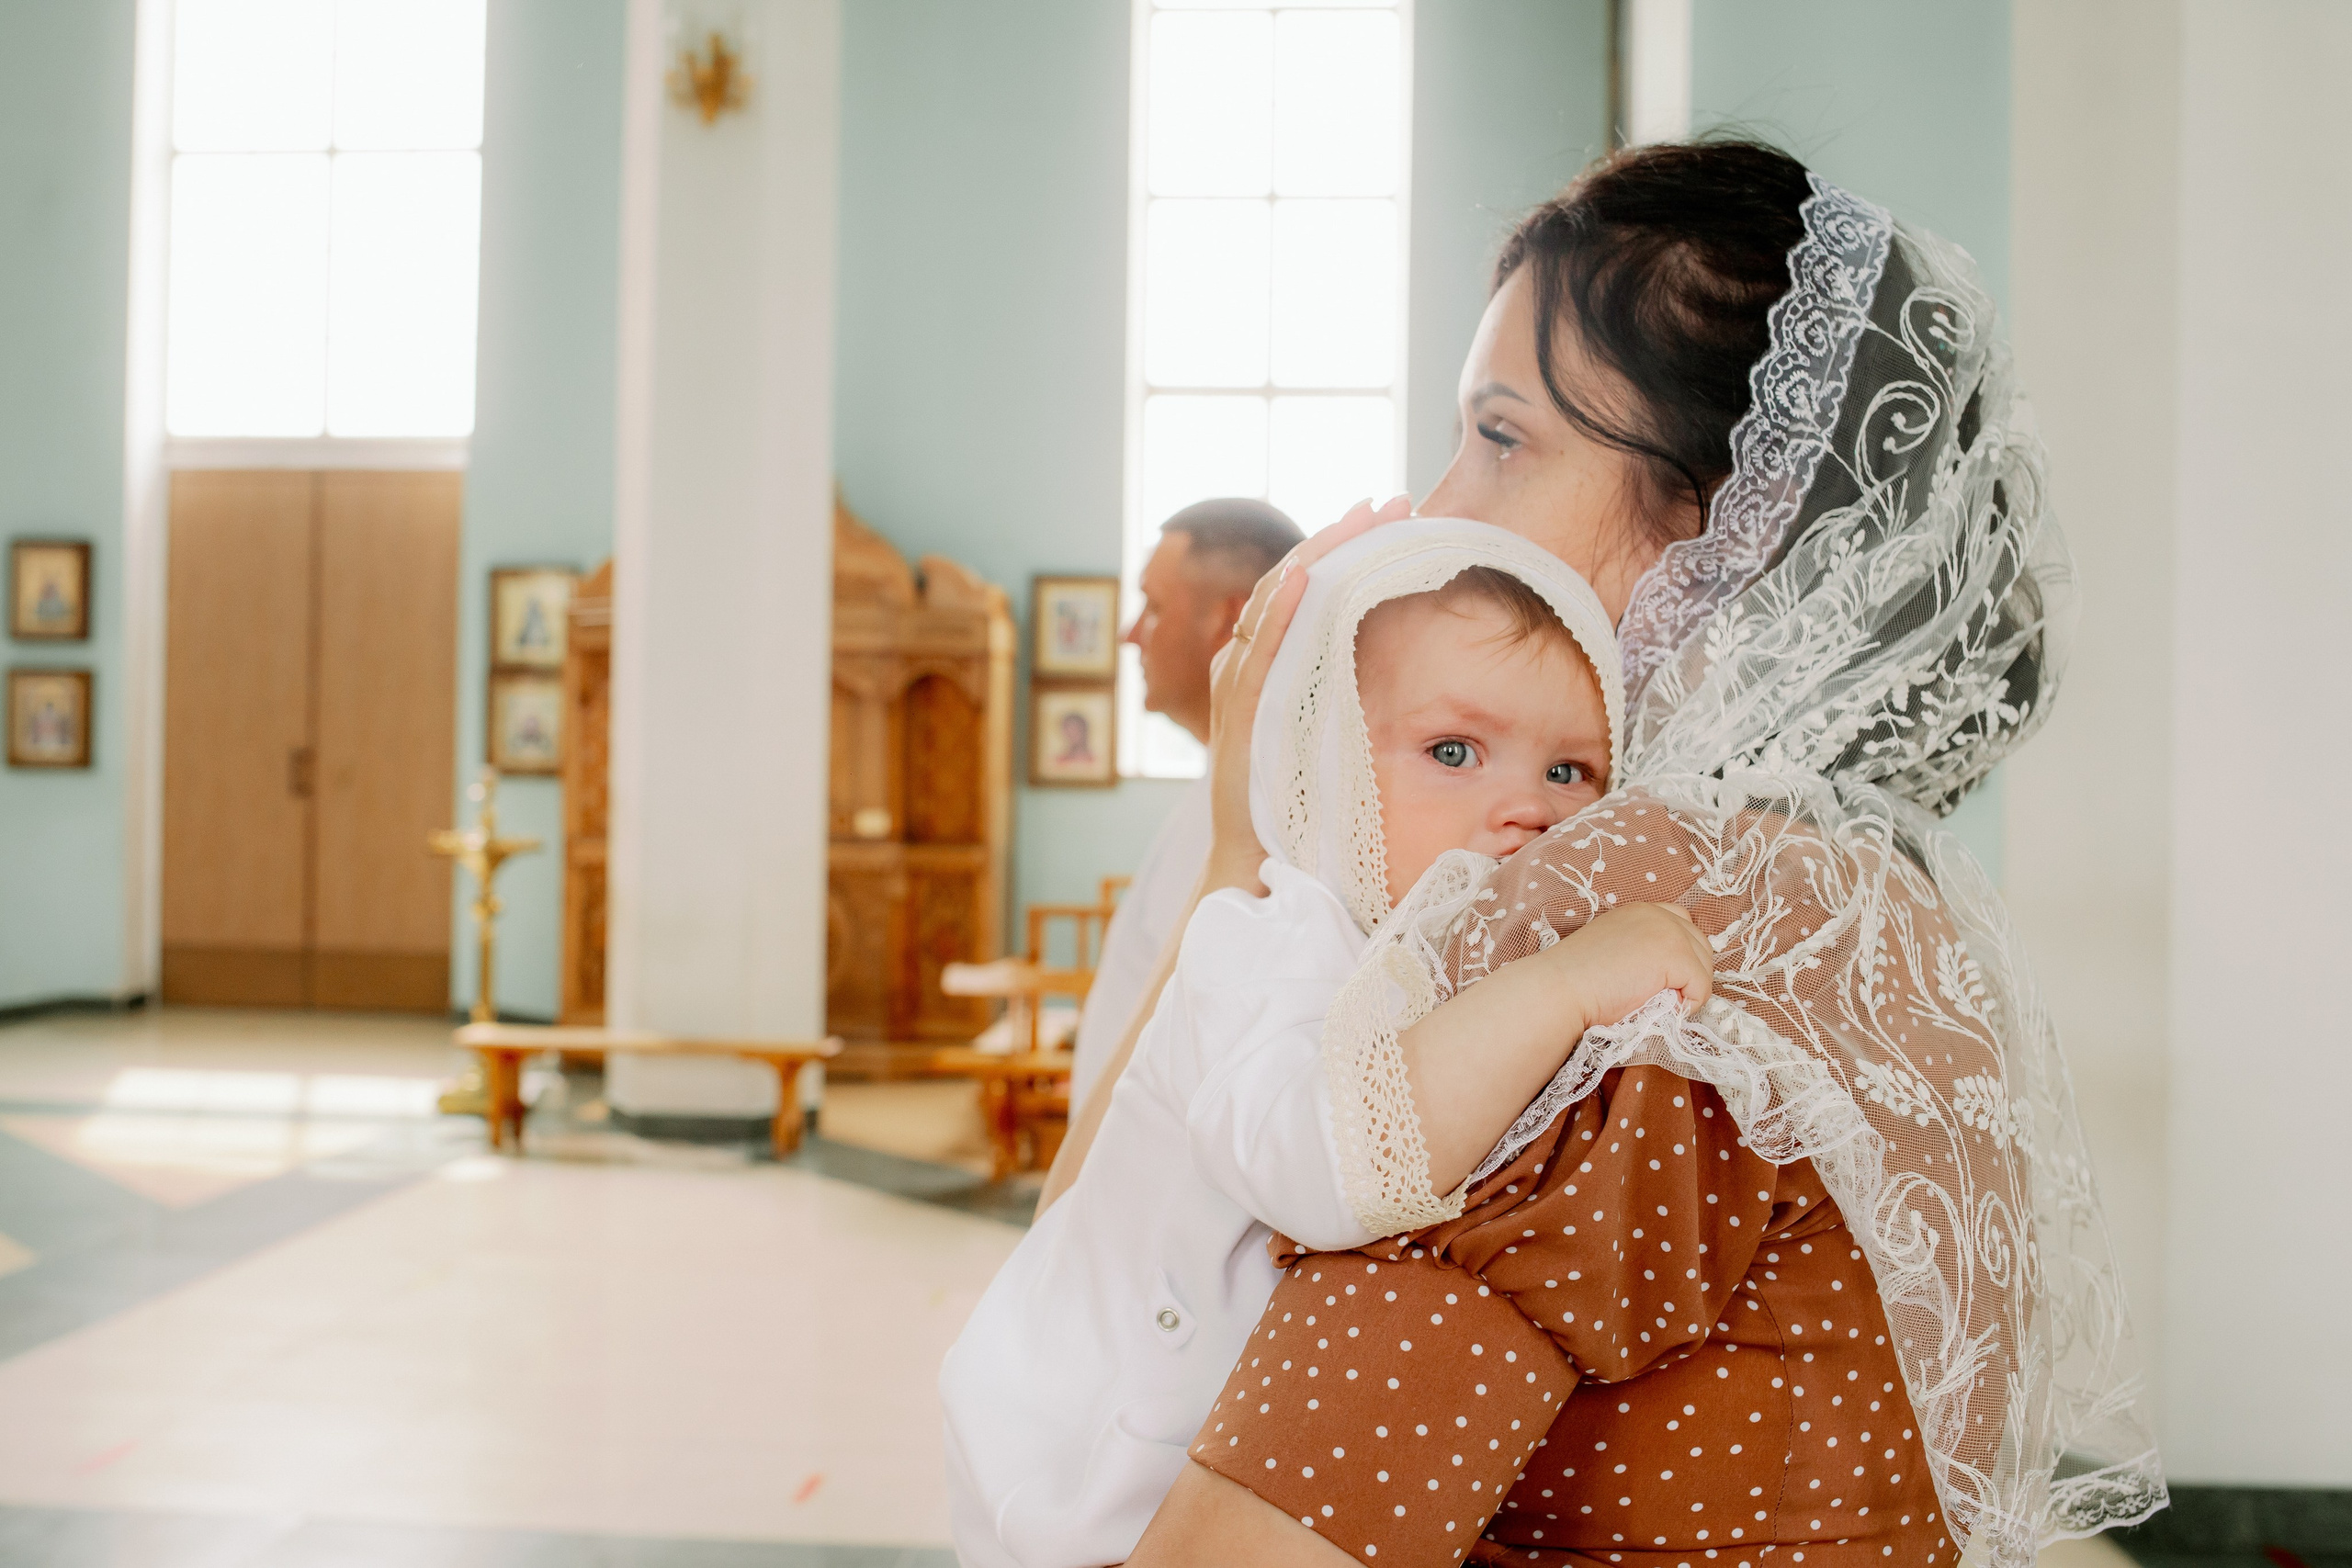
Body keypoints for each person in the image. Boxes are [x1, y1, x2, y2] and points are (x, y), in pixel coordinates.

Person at [1061, 141, 2161, 1566]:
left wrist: (1231, 856)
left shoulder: (1609, 921)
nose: (1443, 500)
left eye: (1503, 437)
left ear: (1721, 526)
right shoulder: (1884, 899)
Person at [945, 523, 1725, 1568]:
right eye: (1453, 752)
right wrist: (1564, 986)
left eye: (1574, 769)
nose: (1528, 808)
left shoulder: (1433, 956)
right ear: (1325, 766)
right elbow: (1326, 1165)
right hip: (1080, 1479)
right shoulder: (1270, 938)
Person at [1069, 499, 1304, 1108]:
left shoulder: (1263, 807)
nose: (1127, 634)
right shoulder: (1223, 785)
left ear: (1231, 620)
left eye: (1152, 606)